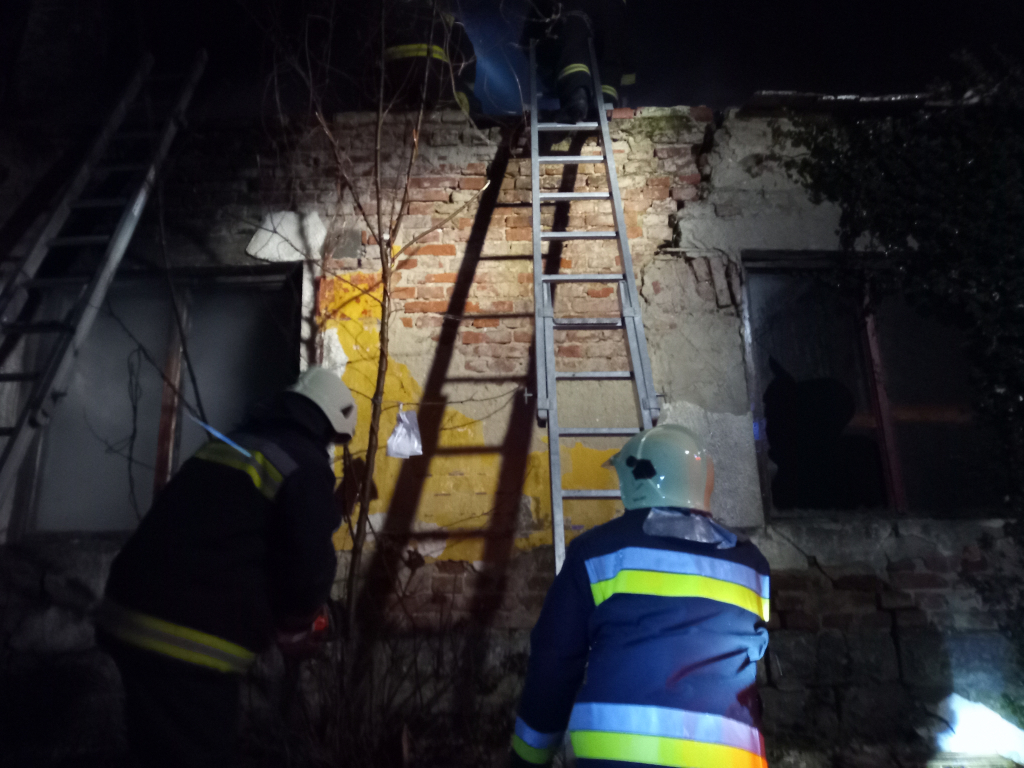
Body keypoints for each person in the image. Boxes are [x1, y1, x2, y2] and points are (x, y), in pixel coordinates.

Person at [96, 366, 357, 768]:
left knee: (154, 751)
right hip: (183, 638)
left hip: (128, 611)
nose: (329, 448)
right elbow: (307, 564)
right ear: (328, 423)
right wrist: (300, 623)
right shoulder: (303, 462)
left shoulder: (235, 444)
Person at [510, 424, 771, 768]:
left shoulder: (595, 552)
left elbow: (554, 663)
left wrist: (528, 757)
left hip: (620, 758)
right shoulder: (752, 563)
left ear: (635, 479)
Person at [530, 0, 634, 122]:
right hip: (615, 13)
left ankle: (577, 99)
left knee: (574, 26)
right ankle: (603, 104)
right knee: (610, 44)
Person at [381, 0, 479, 114]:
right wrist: (463, 97)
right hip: (439, 102)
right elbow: (468, 65)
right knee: (475, 107)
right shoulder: (448, 22)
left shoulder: (385, 19)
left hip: (391, 102)